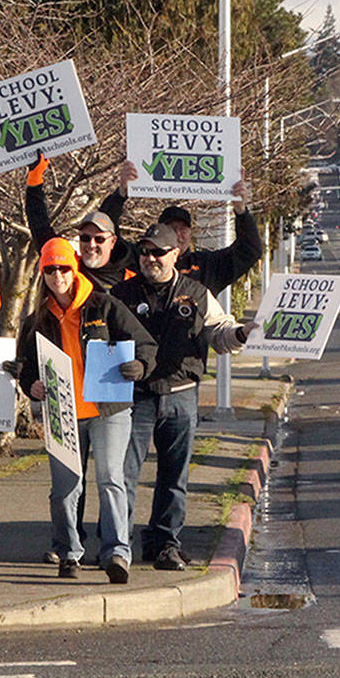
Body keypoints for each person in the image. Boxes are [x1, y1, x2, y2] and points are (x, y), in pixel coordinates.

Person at [111, 224, 258, 569]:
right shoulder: (122, 294)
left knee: (174, 476)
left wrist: (241, 334)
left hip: (181, 396)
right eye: (145, 252)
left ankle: (165, 544)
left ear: (175, 253)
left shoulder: (196, 293)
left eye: (158, 252)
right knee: (125, 474)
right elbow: (101, 336)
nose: (151, 259)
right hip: (135, 398)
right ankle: (120, 546)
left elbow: (219, 333)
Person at [13, 237, 156, 584]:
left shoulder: (104, 306)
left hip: (108, 409)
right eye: (50, 269)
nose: (57, 275)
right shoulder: (37, 320)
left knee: (111, 479)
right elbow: (25, 366)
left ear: (74, 267)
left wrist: (139, 365)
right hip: (63, 411)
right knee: (66, 487)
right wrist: (30, 384)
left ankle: (117, 553)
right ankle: (68, 552)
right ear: (42, 273)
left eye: (63, 267)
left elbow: (146, 345)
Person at [24, 152, 139, 291]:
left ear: (113, 242)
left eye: (99, 239)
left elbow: (109, 217)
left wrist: (122, 193)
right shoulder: (69, 268)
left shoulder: (131, 276)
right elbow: (40, 227)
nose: (91, 245)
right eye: (85, 238)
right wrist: (34, 181)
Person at [152, 173, 261, 296]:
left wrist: (241, 211)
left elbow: (249, 251)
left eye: (183, 230)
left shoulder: (206, 266)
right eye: (172, 229)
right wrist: (124, 193)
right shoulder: (145, 261)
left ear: (190, 233)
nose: (178, 235)